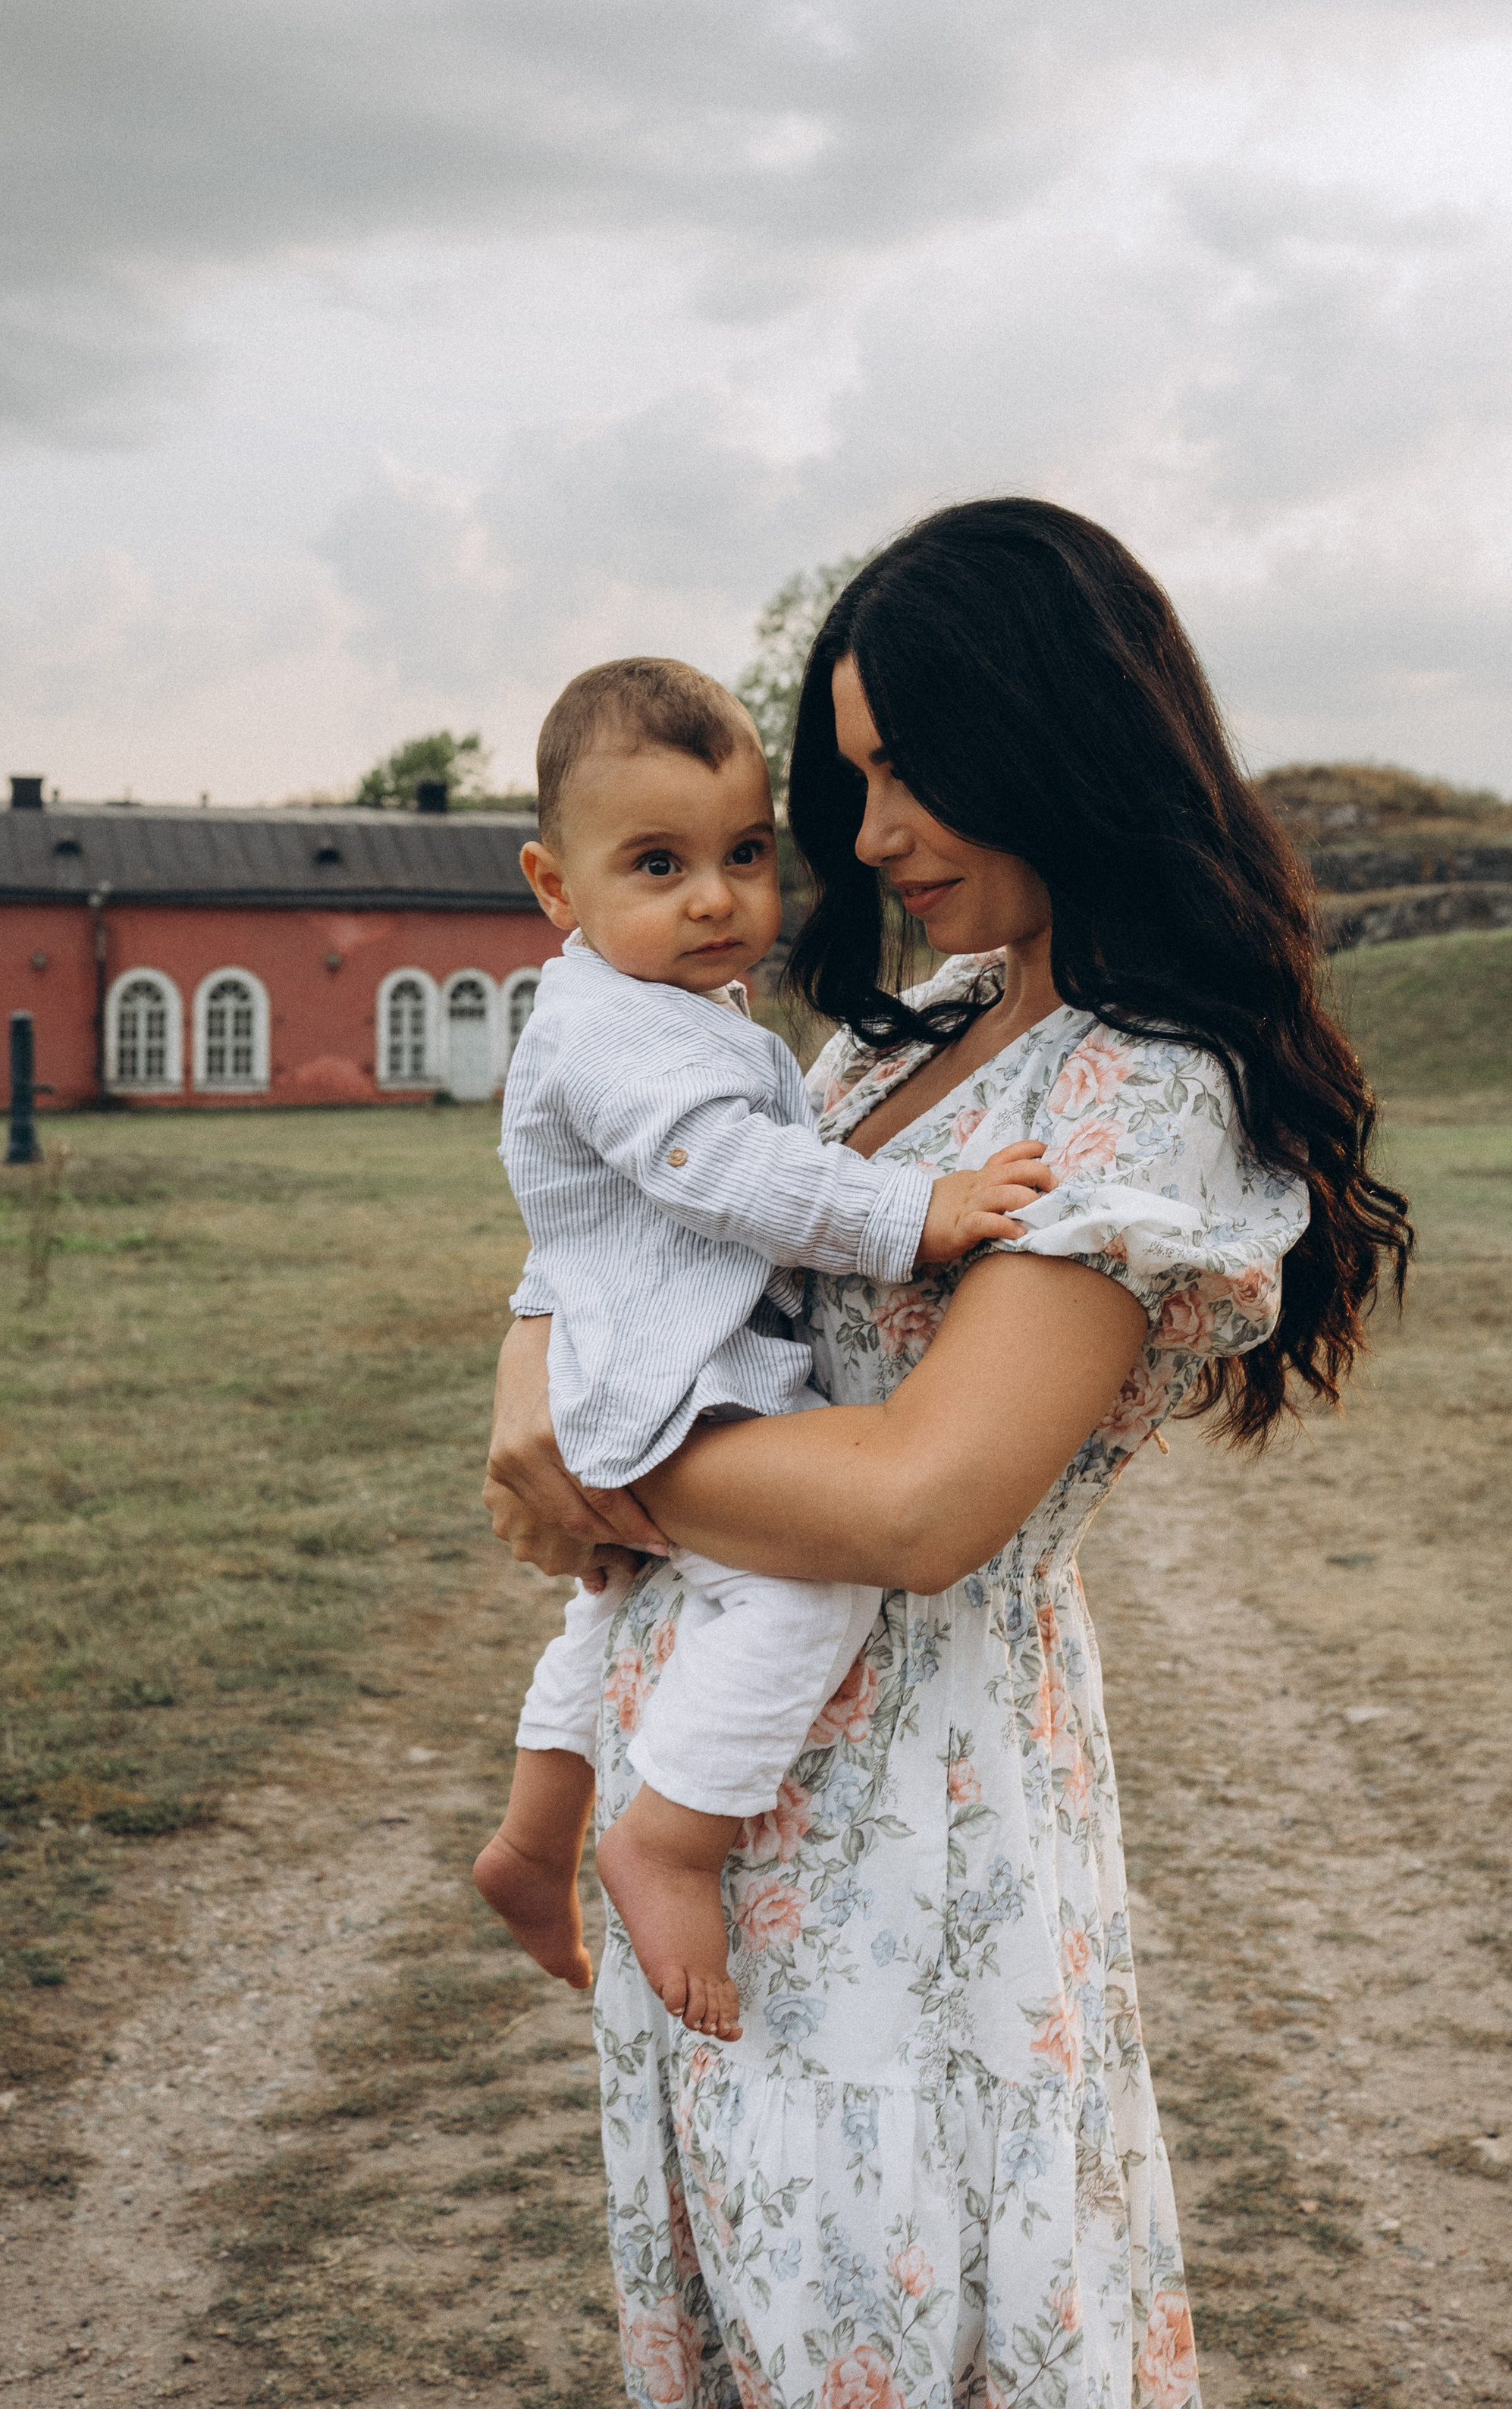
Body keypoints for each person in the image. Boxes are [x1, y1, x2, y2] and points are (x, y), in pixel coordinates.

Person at [484, 499, 1412, 2409]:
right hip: (719, 1784)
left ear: (1056, 750)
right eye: (855, 779)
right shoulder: (928, 1023)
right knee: (758, 2286)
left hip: (908, 1824)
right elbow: (652, 1216)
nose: (873, 837)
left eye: (915, 776)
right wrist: (528, 1364)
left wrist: (585, 1450)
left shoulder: (1146, 1093)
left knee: (887, 2306)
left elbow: (920, 1505)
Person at [473, 655, 1055, 2040]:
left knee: (614, 1598)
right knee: (802, 1596)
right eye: (659, 863)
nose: (715, 898)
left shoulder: (665, 1005)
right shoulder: (620, 1030)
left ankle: (532, 1832)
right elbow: (725, 1171)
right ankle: (669, 1838)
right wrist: (916, 1214)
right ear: (555, 888)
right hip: (679, 1376)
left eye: (743, 853)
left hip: (646, 1361)